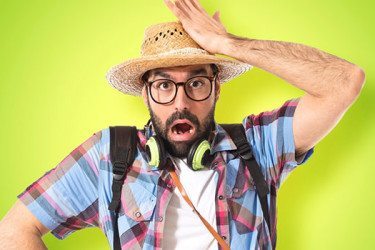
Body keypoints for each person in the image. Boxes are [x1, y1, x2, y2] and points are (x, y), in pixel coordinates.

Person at [0, 0, 365, 249]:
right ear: (145, 95)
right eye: (163, 85)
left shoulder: (259, 145)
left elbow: (344, 81)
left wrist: (228, 43)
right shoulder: (109, 155)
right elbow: (15, 229)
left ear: (216, 89)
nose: (181, 103)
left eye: (196, 83)